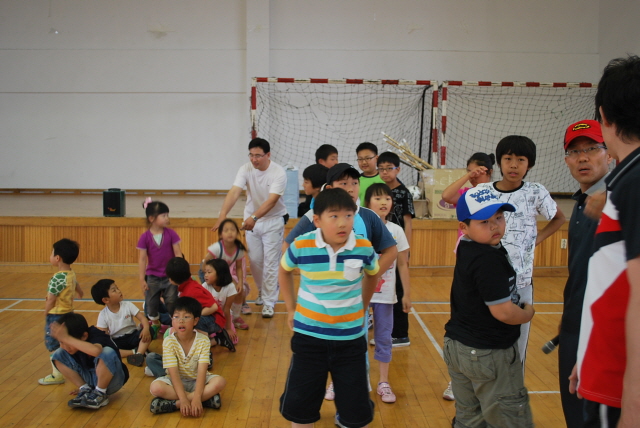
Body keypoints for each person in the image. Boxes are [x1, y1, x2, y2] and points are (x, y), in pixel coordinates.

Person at [284, 163, 397, 402]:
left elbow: (390, 250)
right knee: (309, 379)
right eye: (343, 183)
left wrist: (370, 276)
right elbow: (289, 248)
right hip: (315, 320)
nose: (350, 188)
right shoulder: (313, 217)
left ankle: (351, 394)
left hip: (352, 309)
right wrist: (310, 274)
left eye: (354, 183)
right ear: (329, 188)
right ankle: (334, 386)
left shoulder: (368, 216)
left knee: (354, 364)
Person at [570, 55, 640, 428]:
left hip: (617, 385)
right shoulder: (623, 182)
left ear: (604, 118)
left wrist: (634, 403)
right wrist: (586, 351)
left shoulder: (633, 183)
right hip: (605, 367)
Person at [279, 188, 381, 428]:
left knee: (356, 412)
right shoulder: (302, 245)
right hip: (309, 340)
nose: (342, 222)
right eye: (334, 216)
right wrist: (291, 308)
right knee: (301, 409)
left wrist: (363, 306)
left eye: (348, 215)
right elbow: (284, 270)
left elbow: (372, 274)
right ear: (317, 220)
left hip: (350, 342)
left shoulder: (363, 247)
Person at [444, 186, 534, 427]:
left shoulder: (467, 246)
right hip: (487, 353)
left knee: (469, 419)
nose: (495, 226)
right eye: (484, 221)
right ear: (463, 227)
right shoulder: (487, 259)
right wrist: (527, 314)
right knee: (510, 419)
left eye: (499, 217)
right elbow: (503, 312)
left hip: (459, 347)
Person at [474, 136, 565, 363]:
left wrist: (536, 239)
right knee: (481, 341)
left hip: (521, 281)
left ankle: (514, 385)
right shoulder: (483, 190)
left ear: (529, 164)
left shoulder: (536, 191)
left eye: (521, 160)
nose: (514, 165)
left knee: (517, 347)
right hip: (486, 279)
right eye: (508, 159)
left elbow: (559, 218)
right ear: (499, 162)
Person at [557, 120, 611, 428]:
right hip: (574, 326)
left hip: (601, 332)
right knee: (575, 413)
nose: (583, 157)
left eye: (592, 148)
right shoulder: (582, 204)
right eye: (574, 151)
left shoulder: (617, 200)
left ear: (609, 153)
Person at [212, 138, 288, 319]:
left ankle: (269, 302)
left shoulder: (278, 172)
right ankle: (262, 291)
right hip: (251, 220)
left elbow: (272, 201)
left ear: (268, 155)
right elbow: (234, 192)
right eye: (251, 155)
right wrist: (223, 214)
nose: (254, 159)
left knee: (271, 262)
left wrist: (254, 217)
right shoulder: (245, 169)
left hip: (273, 221)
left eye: (258, 156)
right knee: (255, 260)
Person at [440, 151, 495, 401]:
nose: (473, 176)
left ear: (489, 172)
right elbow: (446, 196)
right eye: (469, 171)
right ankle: (458, 380)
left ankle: (486, 378)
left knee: (487, 320)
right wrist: (467, 176)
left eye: (478, 172)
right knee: (464, 316)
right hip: (465, 263)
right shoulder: (465, 194)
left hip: (490, 263)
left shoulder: (497, 193)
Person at [364, 183, 412, 404]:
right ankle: (353, 378)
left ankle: (383, 381)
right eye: (377, 198)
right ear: (367, 203)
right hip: (361, 295)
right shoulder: (359, 228)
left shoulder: (396, 230)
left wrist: (406, 294)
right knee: (355, 338)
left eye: (387, 198)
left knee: (384, 338)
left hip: (385, 296)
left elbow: (402, 264)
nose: (383, 202)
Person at [149, 296, 227, 416]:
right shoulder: (169, 341)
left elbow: (202, 371)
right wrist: (184, 399)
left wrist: (196, 397)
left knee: (220, 382)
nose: (181, 321)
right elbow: (173, 373)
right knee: (156, 388)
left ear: (195, 321)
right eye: (176, 317)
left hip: (197, 381)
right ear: (172, 320)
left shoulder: (203, 340)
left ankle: (175, 404)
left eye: (186, 317)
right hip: (175, 382)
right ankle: (204, 400)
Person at [50, 312, 129, 410]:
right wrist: (65, 339)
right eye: (61, 342)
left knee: (107, 352)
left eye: (69, 343)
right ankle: (85, 389)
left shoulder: (96, 335)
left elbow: (96, 351)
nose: (65, 347)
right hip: (90, 378)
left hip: (113, 380)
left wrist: (67, 338)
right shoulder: (67, 346)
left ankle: (100, 394)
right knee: (58, 354)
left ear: (84, 336)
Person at [377, 151, 415, 349]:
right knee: (384, 288)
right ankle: (386, 330)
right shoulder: (380, 191)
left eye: (389, 169)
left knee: (399, 289)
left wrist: (406, 250)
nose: (385, 172)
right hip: (383, 248)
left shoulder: (404, 192)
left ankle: (401, 334)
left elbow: (408, 222)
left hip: (398, 245)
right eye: (381, 169)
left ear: (398, 170)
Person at [167, 257, 235, 352]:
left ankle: (206, 352)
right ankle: (218, 339)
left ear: (172, 279)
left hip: (216, 321)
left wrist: (194, 317)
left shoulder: (192, 291)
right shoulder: (186, 287)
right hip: (210, 319)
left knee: (191, 321)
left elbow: (214, 307)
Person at [39, 238, 84, 385]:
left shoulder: (57, 278)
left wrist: (46, 311)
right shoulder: (71, 273)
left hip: (56, 315)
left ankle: (57, 374)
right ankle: (74, 368)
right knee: (66, 342)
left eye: (52, 253)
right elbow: (75, 284)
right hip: (69, 313)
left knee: (53, 345)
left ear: (57, 258)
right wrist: (79, 291)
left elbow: (51, 299)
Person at [137, 199, 182, 335]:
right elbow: (142, 259)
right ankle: (156, 323)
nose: (167, 218)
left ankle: (175, 324)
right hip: (153, 276)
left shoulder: (171, 234)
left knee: (171, 301)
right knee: (151, 303)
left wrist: (179, 272)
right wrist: (142, 279)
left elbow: (178, 253)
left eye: (167, 215)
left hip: (170, 276)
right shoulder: (144, 237)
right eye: (163, 215)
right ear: (151, 218)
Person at [200, 218, 250, 330]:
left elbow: (239, 268)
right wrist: (208, 274)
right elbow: (205, 263)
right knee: (211, 297)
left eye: (232, 229)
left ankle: (235, 317)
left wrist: (240, 283)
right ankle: (213, 316)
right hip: (208, 272)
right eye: (226, 230)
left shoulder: (239, 249)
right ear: (221, 234)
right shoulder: (217, 248)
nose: (230, 232)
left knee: (239, 291)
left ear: (237, 232)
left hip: (223, 273)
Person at [91, 279, 153, 367]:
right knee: (106, 348)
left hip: (133, 336)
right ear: (106, 300)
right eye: (114, 290)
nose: (119, 291)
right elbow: (103, 335)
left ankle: (139, 354)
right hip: (118, 341)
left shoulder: (127, 305)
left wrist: (146, 329)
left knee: (150, 330)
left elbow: (143, 319)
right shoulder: (103, 315)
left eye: (117, 288)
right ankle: (137, 352)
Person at [202, 259, 240, 343]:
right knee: (209, 336)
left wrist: (228, 328)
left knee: (233, 340)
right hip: (210, 316)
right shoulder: (205, 286)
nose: (205, 275)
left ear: (220, 274)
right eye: (205, 272)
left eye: (209, 272)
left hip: (224, 315)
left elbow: (226, 309)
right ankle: (215, 339)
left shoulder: (230, 287)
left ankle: (217, 338)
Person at [299, 145, 339, 216]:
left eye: (306, 182)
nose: (336, 162)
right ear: (321, 161)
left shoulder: (328, 204)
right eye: (333, 159)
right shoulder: (313, 199)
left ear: (317, 186)